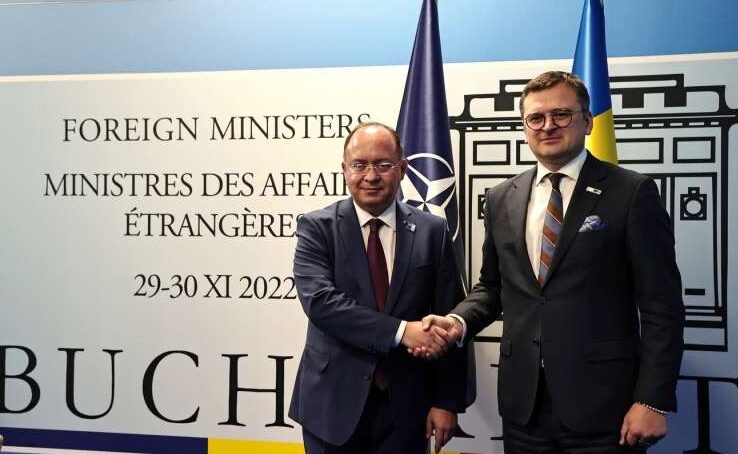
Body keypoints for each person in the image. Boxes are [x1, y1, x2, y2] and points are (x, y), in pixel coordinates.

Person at [418, 71, 684, 453]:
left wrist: (652, 400)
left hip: (605, 407)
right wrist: (456, 321)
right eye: (536, 118)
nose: (548, 126)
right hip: (524, 407)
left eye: (561, 114)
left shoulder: (632, 192)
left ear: (588, 121)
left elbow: (662, 306)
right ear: (524, 127)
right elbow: (493, 287)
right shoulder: (501, 197)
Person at [289, 121, 469, 454]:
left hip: (407, 408)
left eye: (383, 165)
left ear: (403, 169)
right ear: (344, 170)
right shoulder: (316, 227)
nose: (370, 176)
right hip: (331, 405)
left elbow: (449, 317)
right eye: (359, 165)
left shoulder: (432, 230)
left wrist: (446, 400)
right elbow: (321, 304)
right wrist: (402, 332)